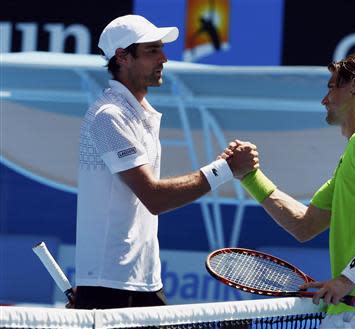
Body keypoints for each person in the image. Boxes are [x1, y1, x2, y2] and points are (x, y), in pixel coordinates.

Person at [74, 14, 259, 309]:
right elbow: (154, 197)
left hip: (145, 281)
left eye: (161, 49)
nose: (164, 58)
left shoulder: (137, 112)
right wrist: (225, 169)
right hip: (109, 284)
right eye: (152, 51)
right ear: (122, 57)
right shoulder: (109, 115)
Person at [223, 54, 355, 328]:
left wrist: (346, 280)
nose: (324, 99)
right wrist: (250, 177)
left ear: (354, 85)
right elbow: (304, 224)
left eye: (331, 87)